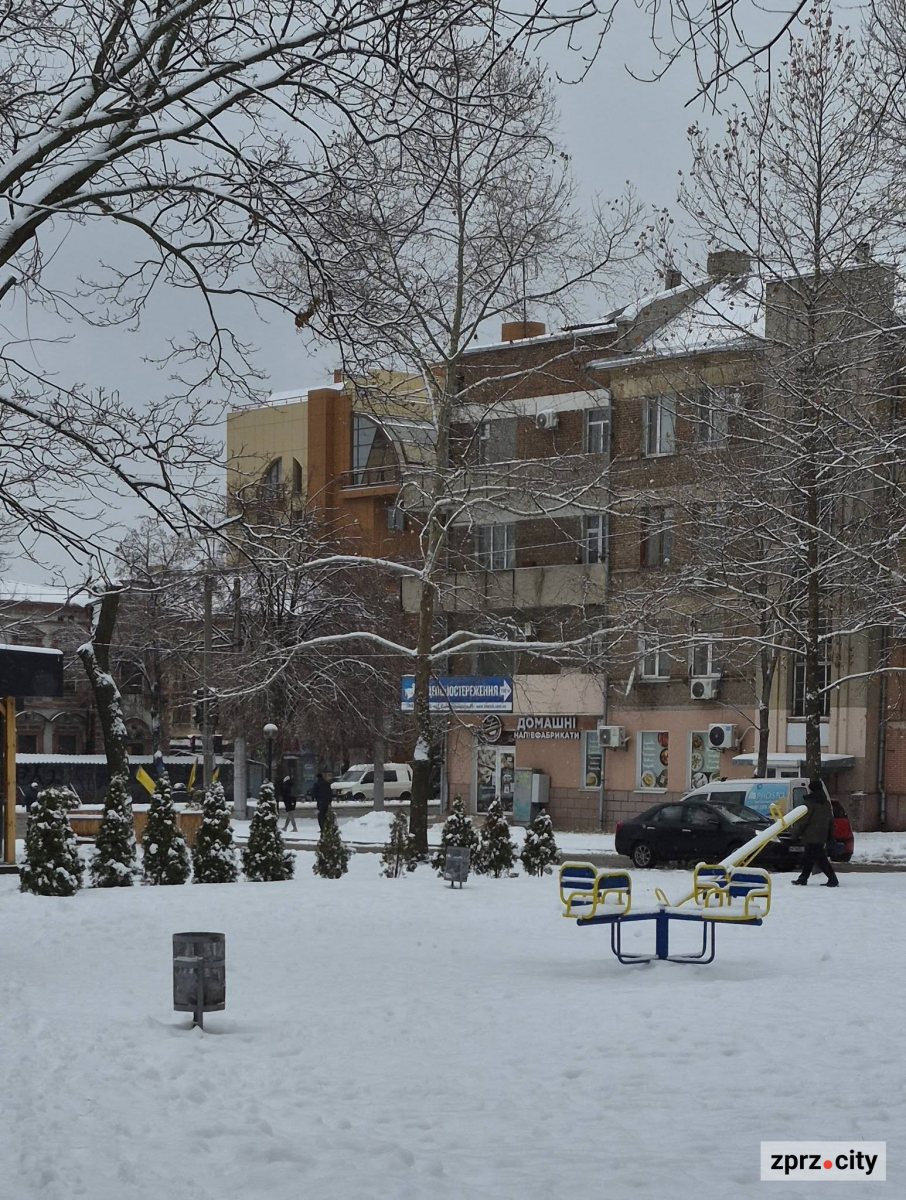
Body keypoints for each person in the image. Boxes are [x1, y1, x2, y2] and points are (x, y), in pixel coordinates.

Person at [792, 779, 839, 887]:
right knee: (809, 857)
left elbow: (803, 821)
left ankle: (833, 879)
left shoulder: (810, 803)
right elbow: (830, 819)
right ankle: (803, 878)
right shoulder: (825, 803)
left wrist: (796, 834)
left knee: (820, 859)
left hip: (810, 835)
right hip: (821, 835)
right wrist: (829, 835)